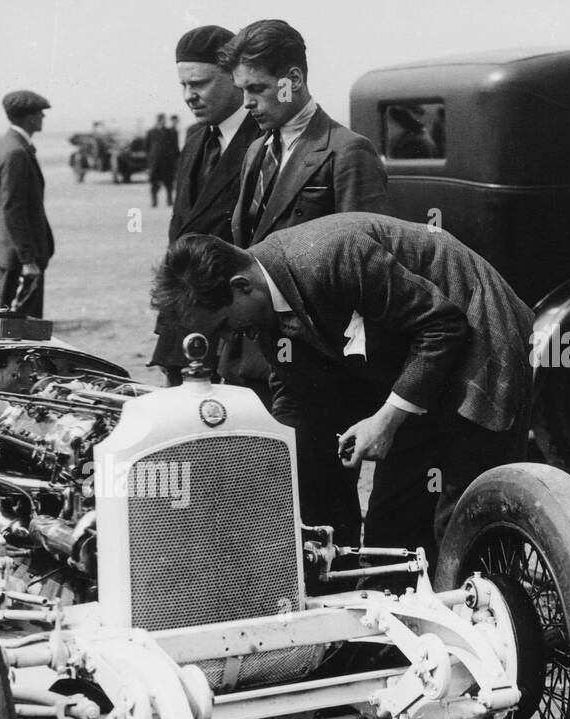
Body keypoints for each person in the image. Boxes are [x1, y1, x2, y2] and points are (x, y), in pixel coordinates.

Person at [151, 216, 533, 569]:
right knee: (391, 528)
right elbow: (295, 390)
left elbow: (442, 327)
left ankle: (500, 625)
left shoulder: (332, 255)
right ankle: (394, 637)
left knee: (464, 521)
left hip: (480, 342)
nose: (228, 338)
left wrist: (385, 420)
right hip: (419, 366)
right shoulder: (262, 301)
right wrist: (280, 455)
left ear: (241, 287)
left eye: (224, 325)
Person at [221, 19, 390, 546]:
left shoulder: (347, 152)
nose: (246, 102)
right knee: (264, 497)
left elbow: (365, 268)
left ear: (293, 78)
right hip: (255, 360)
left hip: (320, 369)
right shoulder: (256, 152)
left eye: (256, 89)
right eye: (242, 90)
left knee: (322, 497)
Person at [150, 24, 261, 387]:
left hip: (232, 326)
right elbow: (179, 228)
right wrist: (168, 314)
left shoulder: (264, 140)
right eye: (183, 85)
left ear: (235, 77)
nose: (188, 95)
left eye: (199, 84)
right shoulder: (195, 137)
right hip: (181, 323)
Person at [0, 89, 53, 317]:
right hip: (20, 260)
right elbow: (13, 210)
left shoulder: (5, 145)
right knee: (20, 330)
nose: (42, 117)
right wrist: (28, 260)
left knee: (11, 325)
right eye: (39, 113)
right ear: (28, 117)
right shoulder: (16, 152)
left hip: (10, 253)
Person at [146, 112, 178, 207]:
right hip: (155, 162)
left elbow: (174, 146)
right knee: (154, 183)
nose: (164, 122)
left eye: (165, 120)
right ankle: (154, 201)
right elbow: (147, 147)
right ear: (158, 120)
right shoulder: (151, 132)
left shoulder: (170, 132)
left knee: (168, 183)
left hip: (167, 162)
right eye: (163, 120)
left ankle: (169, 200)